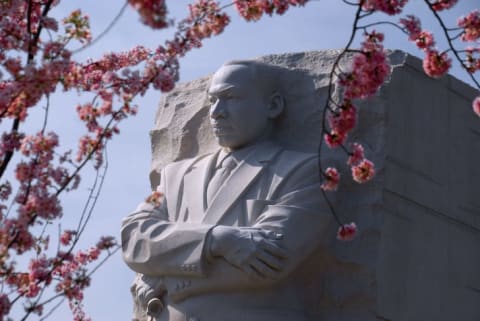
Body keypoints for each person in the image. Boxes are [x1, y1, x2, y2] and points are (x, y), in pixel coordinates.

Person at [121, 60, 332, 321]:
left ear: (273, 105)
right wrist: (218, 239)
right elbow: (133, 239)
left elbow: (270, 262)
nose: (216, 112)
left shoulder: (303, 171)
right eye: (212, 100)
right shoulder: (176, 177)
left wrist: (163, 276)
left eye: (231, 97)